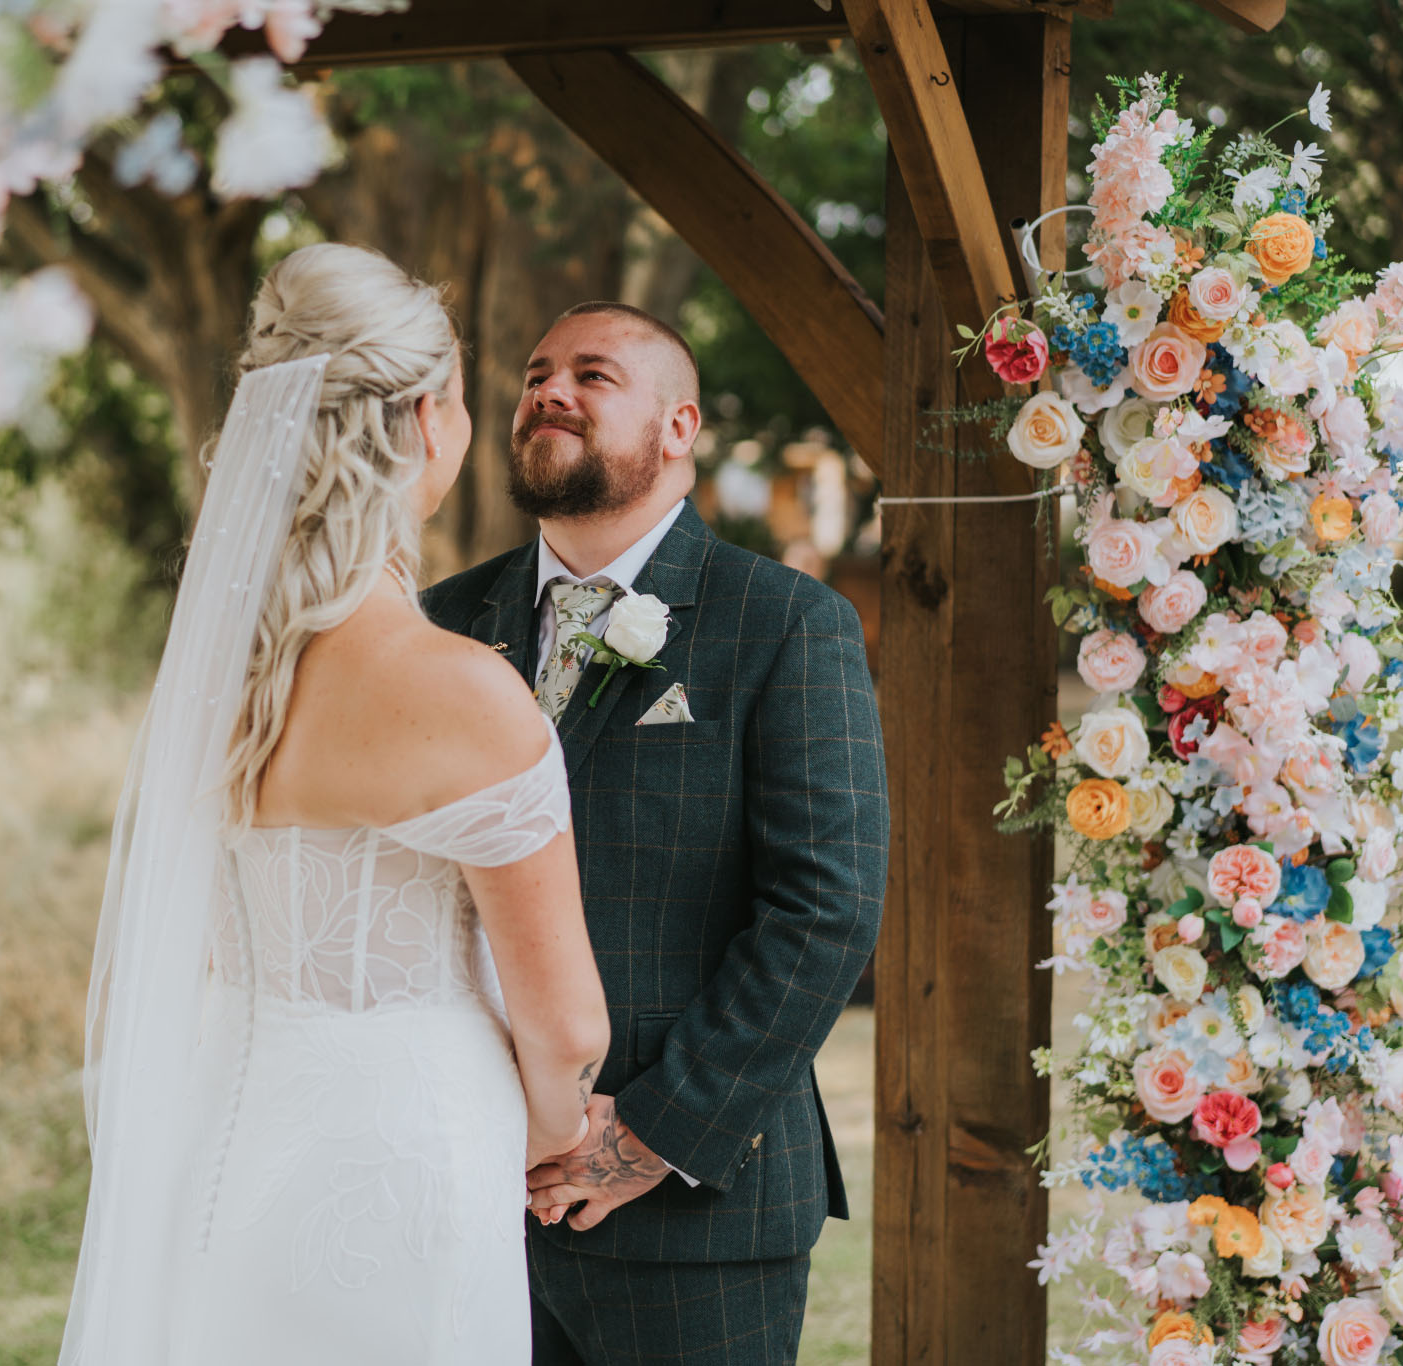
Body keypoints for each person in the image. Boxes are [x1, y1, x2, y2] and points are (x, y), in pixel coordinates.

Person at [59, 243, 609, 1364]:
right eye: (459, 393)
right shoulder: (462, 694)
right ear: (421, 423)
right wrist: (554, 1138)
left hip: (223, 1147)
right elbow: (567, 1029)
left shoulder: (214, 680)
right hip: (408, 1159)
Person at [424, 302, 887, 1366]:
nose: (549, 391)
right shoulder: (440, 626)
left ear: (677, 428)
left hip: (689, 1213)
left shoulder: (781, 622)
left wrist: (644, 1139)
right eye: (538, 373)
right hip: (462, 1187)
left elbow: (825, 909)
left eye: (593, 375)